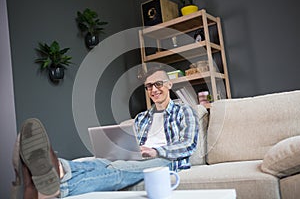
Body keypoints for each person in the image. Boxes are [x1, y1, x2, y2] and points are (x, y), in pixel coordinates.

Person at [13, 67, 200, 198]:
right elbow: (130, 142)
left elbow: (188, 144)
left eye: (158, 84)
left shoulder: (185, 111)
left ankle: (57, 187)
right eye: (149, 86)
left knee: (117, 170)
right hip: (138, 156)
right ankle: (59, 168)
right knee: (98, 162)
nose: (153, 90)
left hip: (166, 161)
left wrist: (156, 151)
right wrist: (119, 149)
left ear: (169, 85)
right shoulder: (142, 117)